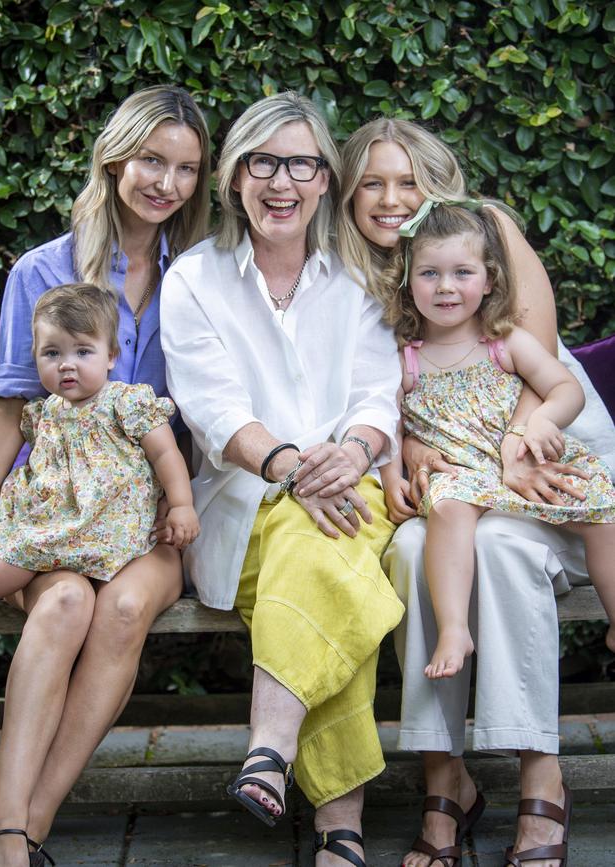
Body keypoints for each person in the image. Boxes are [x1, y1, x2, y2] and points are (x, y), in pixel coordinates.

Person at [338, 117, 615, 867]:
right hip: (454, 473)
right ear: (348, 193)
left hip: (541, 455)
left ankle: (540, 774)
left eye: (408, 181)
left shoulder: (483, 230)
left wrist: (514, 447)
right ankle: (444, 778)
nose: (391, 199)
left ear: (438, 184)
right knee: (413, 543)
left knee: (497, 543)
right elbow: (378, 394)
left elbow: (541, 359)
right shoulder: (354, 266)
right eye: (372, 182)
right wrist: (410, 448)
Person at [0, 85, 210, 867]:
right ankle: (9, 822)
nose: (164, 183)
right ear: (115, 158)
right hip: (62, 512)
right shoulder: (43, 271)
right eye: (150, 159)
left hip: (152, 515)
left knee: (127, 604)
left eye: (185, 169)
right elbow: (9, 410)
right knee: (68, 598)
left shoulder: (199, 278)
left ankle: (24, 827)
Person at [160, 92, 403, 867]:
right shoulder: (195, 278)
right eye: (263, 162)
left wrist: (358, 452)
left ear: (326, 179)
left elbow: (376, 395)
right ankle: (342, 826)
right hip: (244, 496)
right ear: (235, 177)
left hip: (351, 483)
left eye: (301, 163)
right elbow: (212, 407)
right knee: (327, 552)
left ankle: (271, 747)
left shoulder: (358, 277)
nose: (281, 182)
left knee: (323, 544)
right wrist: (292, 467)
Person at [380, 202, 615, 683]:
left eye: (462, 272)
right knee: (447, 506)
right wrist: (393, 473)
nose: (445, 286)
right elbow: (390, 426)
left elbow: (564, 387)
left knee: (602, 509)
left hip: (524, 464)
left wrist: (543, 421)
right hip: (463, 475)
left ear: (488, 280)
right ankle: (452, 629)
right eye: (429, 273)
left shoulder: (503, 341)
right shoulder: (404, 358)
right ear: (408, 281)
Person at [0, 283, 199, 613]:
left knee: (26, 552)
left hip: (107, 521)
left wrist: (181, 505)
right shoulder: (44, 411)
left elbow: (165, 453)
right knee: (14, 517)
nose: (66, 364)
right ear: (36, 358)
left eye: (83, 352)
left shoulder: (126, 402)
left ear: (111, 356)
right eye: (52, 353)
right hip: (60, 521)